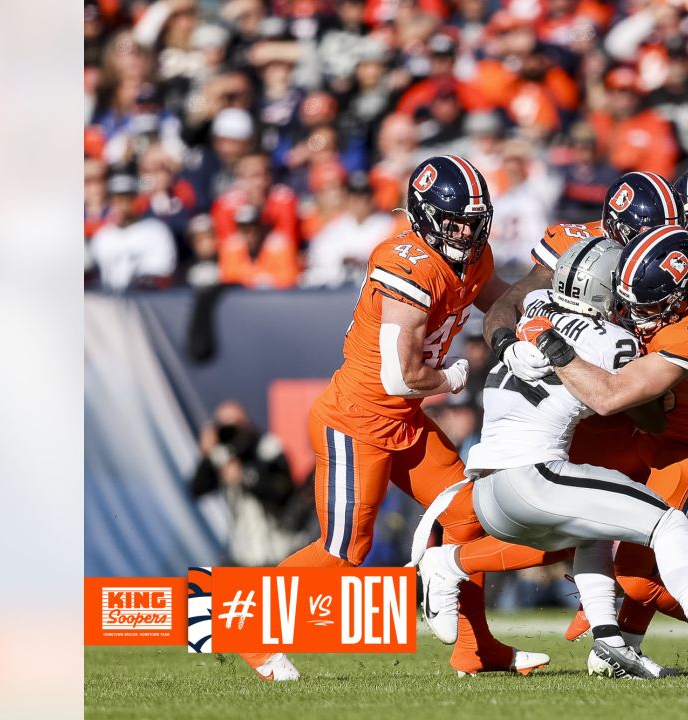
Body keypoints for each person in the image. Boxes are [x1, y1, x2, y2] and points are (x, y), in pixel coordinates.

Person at [415, 237, 688, 678]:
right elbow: (641, 413)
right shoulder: (613, 340)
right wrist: (652, 389)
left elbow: (510, 304)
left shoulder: (534, 305)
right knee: (666, 522)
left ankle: (610, 642)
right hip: (534, 477)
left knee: (594, 531)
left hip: (489, 487)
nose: (632, 310)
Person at [235, 155, 544, 681]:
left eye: (475, 222)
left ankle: (476, 648)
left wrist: (552, 295)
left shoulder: (472, 257)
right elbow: (402, 376)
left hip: (402, 420)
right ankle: (251, 634)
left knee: (468, 517)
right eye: (456, 224)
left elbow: (503, 302)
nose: (468, 234)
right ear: (426, 218)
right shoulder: (408, 265)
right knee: (344, 551)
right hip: (357, 421)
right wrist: (451, 378)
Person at [191, 400, 299, 567]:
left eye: (235, 425)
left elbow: (283, 492)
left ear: (246, 423)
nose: (231, 433)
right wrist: (206, 456)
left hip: (276, 556)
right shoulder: (222, 453)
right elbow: (197, 489)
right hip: (240, 556)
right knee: (201, 590)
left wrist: (246, 475)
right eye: (223, 427)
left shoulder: (268, 448)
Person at [88, 173, 178, 290]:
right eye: (115, 200)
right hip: (110, 303)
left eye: (126, 199)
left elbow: (162, 275)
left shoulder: (156, 230)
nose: (120, 206)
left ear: (137, 200)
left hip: (145, 301)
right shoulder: (102, 236)